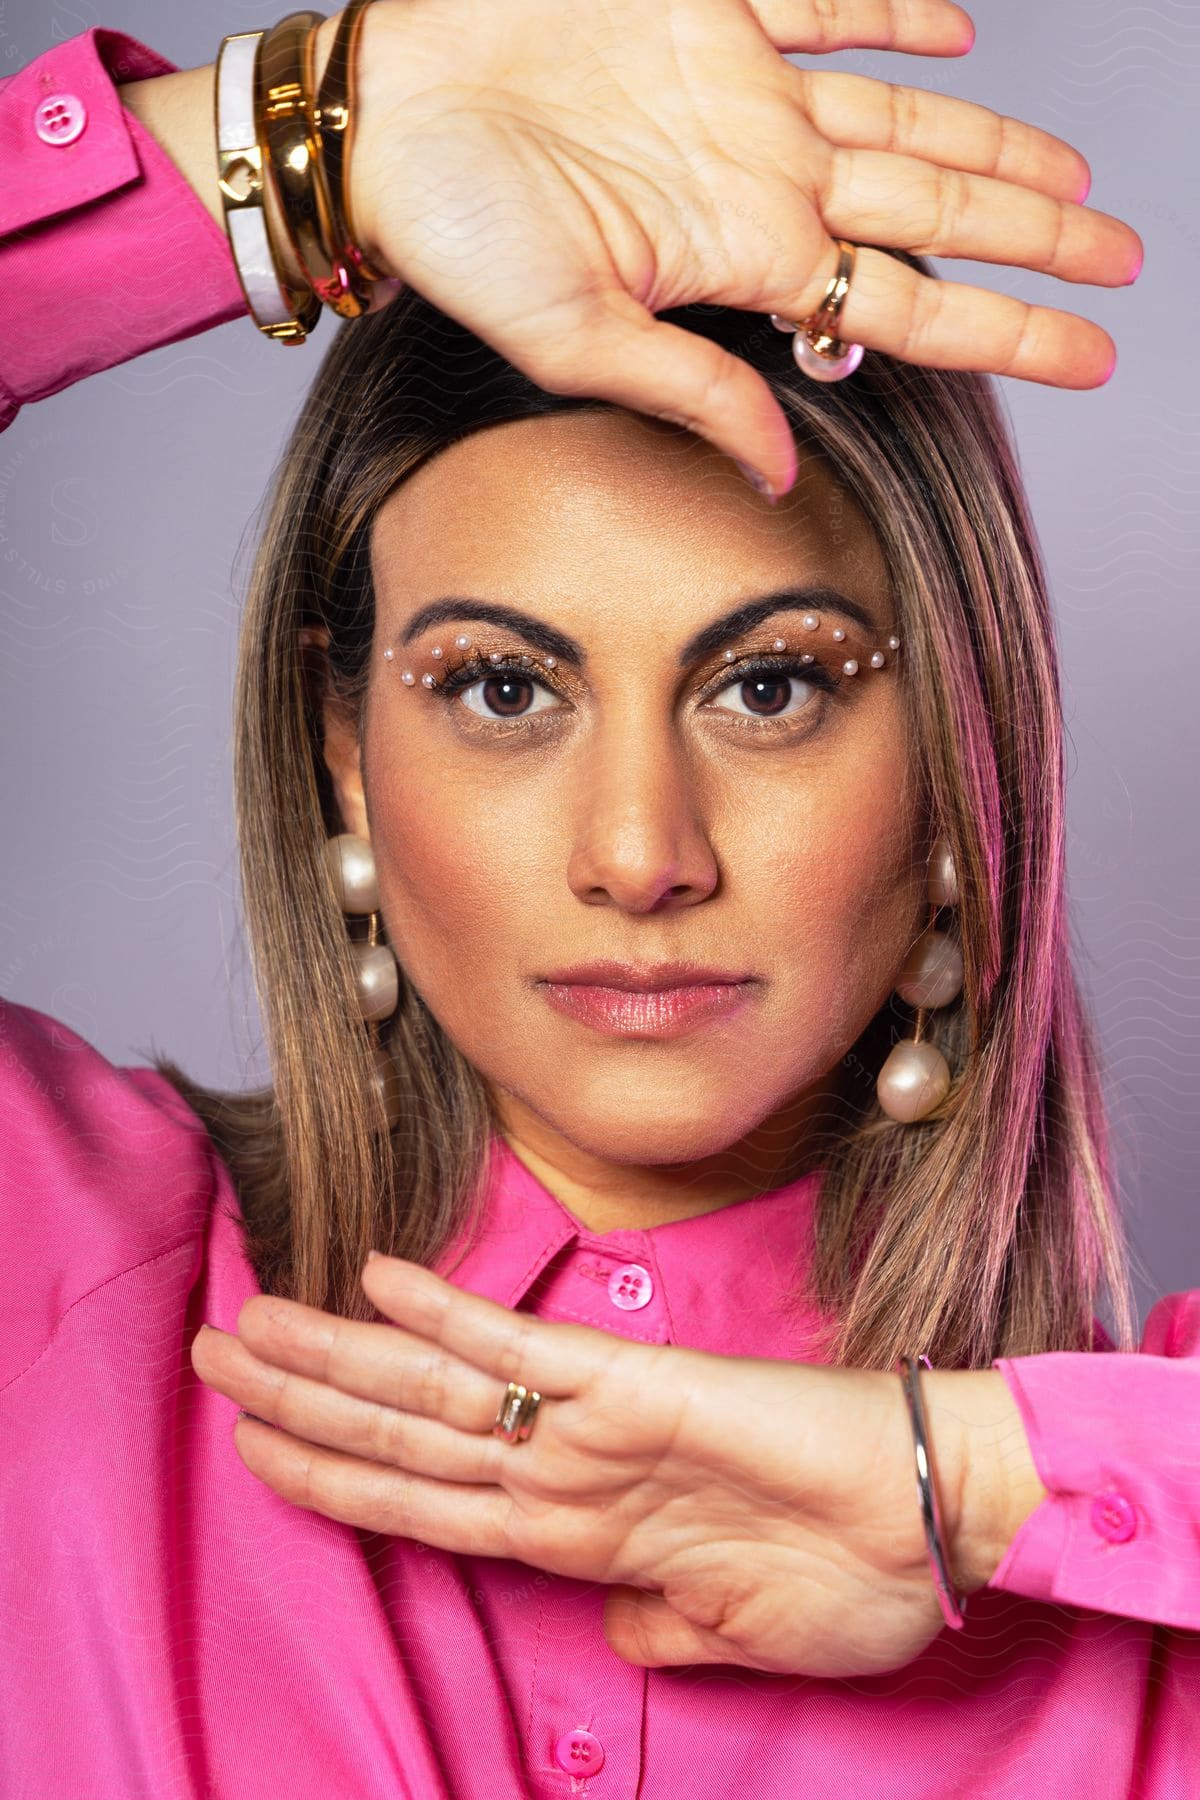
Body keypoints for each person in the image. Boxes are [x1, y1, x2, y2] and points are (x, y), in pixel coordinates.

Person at [1, 3, 1195, 1797]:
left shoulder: (1129, 1570)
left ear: (958, 757)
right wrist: (293, 143)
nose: (641, 856)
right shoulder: (53, 1280)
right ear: (344, 750)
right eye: (502, 688)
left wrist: (984, 1486)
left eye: (773, 685)